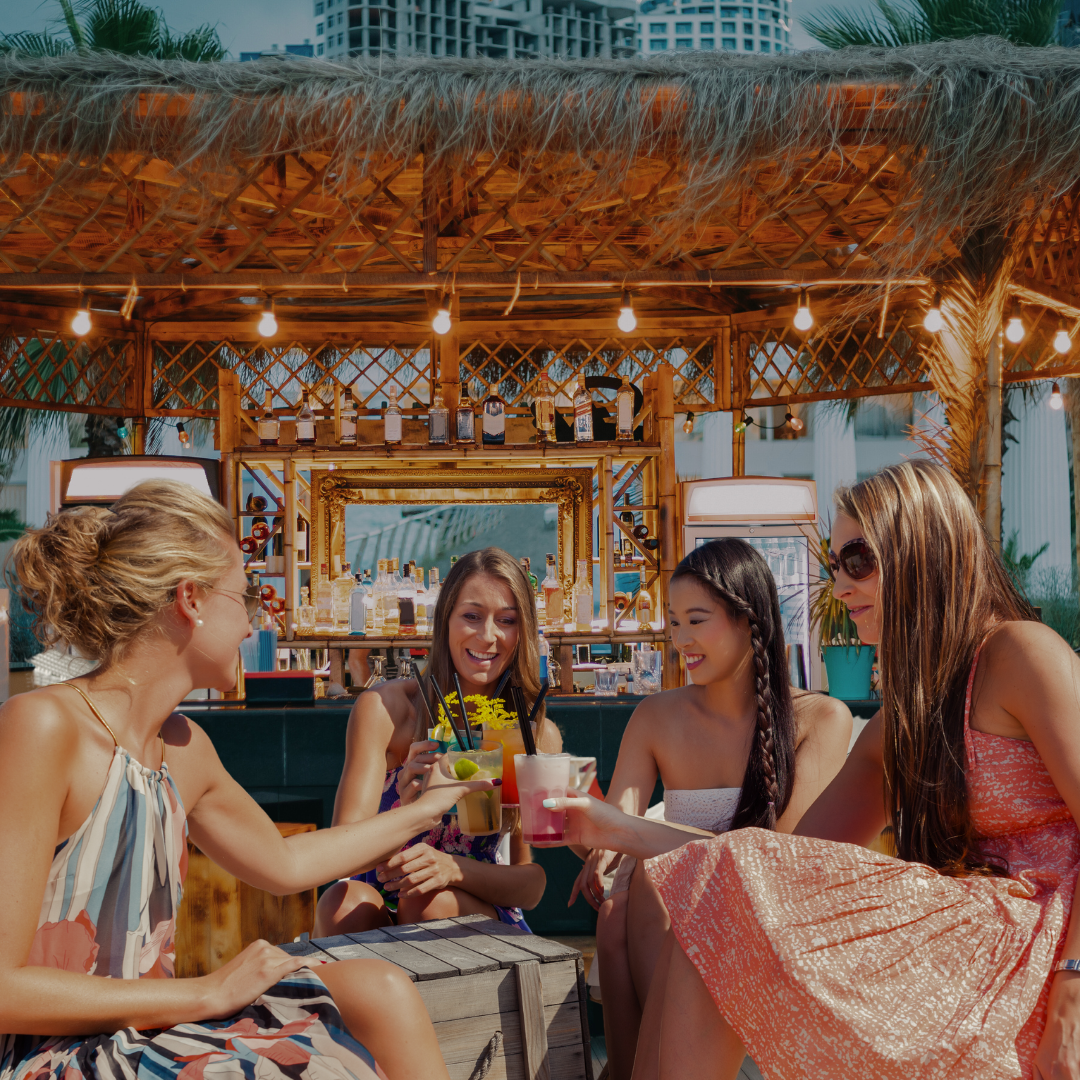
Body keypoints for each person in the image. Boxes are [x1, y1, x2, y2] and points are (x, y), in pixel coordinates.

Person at [546, 459, 1080, 1080]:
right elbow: (777, 863)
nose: (840, 582)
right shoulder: (902, 726)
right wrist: (612, 829)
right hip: (970, 934)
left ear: (924, 551)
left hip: (1046, 945)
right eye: (834, 561)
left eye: (859, 559)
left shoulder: (1020, 654)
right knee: (726, 897)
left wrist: (1072, 990)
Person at [0, 480, 499, 1080]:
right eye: (244, 595)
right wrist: (206, 993)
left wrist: (424, 810)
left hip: (140, 1032)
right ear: (191, 600)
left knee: (379, 990)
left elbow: (284, 864)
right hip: (50, 1054)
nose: (253, 623)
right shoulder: (44, 725)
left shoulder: (182, 748)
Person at [571, 538, 852, 1080]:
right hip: (666, 918)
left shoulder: (821, 718)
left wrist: (629, 835)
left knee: (645, 885)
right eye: (674, 623)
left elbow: (781, 865)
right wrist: (585, 832)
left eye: (696, 620)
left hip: (769, 923)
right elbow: (613, 829)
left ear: (749, 621)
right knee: (632, 894)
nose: (681, 640)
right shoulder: (656, 716)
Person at [314, 547, 561, 937]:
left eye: (507, 620)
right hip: (378, 902)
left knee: (427, 901)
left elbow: (530, 885)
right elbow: (339, 858)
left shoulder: (532, 731)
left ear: (523, 631)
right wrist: (402, 801)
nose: (488, 635)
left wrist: (452, 869)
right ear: (445, 620)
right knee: (340, 901)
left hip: (472, 908)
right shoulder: (387, 709)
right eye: (472, 616)